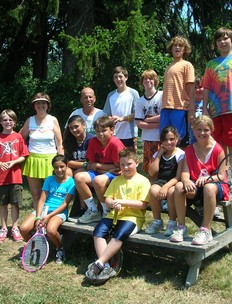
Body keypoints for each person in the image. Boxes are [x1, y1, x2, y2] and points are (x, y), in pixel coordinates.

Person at [85, 148, 151, 283]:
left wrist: (121, 202)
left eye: (129, 164)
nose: (125, 167)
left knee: (118, 235)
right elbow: (107, 199)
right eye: (122, 165)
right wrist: (113, 204)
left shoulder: (143, 181)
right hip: (113, 216)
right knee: (98, 232)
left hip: (132, 218)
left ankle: (99, 263)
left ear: (137, 163)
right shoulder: (116, 180)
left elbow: (142, 205)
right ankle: (107, 266)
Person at [170, 115, 230, 245]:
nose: (202, 133)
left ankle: (205, 230)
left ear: (211, 130)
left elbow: (221, 175)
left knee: (209, 188)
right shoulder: (190, 150)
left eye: (206, 130)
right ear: (193, 130)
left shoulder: (218, 149)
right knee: (179, 187)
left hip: (215, 187)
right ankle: (181, 227)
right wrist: (186, 180)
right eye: (199, 129)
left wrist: (208, 179)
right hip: (196, 186)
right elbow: (185, 172)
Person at [20, 155, 76, 264]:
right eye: (56, 167)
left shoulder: (71, 182)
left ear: (67, 166)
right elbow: (41, 200)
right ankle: (35, 247)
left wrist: (48, 217)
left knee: (51, 230)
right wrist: (38, 216)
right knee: (23, 229)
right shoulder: (49, 179)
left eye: (62, 167)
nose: (59, 170)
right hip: (44, 210)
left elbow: (65, 204)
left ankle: (60, 248)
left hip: (59, 212)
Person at [74, 116, 125, 224]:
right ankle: (93, 210)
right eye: (97, 131)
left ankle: (106, 211)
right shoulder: (93, 141)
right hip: (102, 172)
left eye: (104, 130)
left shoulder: (115, 143)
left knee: (98, 180)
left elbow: (118, 168)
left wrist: (98, 166)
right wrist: (102, 167)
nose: (100, 134)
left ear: (112, 130)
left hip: (115, 176)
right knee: (79, 177)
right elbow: (91, 164)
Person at [20, 92, 64, 209]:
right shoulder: (29, 121)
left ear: (48, 105)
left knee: (51, 192)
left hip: (50, 160)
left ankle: (50, 216)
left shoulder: (53, 120)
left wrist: (61, 161)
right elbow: (18, 138)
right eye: (38, 103)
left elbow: (59, 144)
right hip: (33, 160)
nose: (41, 105)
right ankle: (38, 220)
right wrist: (1, 139)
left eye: (43, 103)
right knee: (36, 194)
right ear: (34, 106)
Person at [0, 109, 29, 243]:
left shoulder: (18, 137)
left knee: (15, 203)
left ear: (14, 122)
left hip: (15, 176)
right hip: (1, 178)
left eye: (10, 119)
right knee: (2, 204)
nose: (7, 122)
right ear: (1, 122)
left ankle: (14, 228)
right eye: (4, 120)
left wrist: (13, 162)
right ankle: (3, 228)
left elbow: (23, 156)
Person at [145, 126, 185, 236]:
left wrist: (166, 187)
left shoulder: (180, 154)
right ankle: (157, 220)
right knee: (153, 190)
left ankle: (172, 222)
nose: (169, 142)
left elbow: (178, 176)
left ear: (177, 139)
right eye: (165, 140)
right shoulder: (159, 154)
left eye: (172, 139)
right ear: (161, 141)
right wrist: (158, 155)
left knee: (171, 192)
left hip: (174, 182)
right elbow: (152, 172)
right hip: (161, 181)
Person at [160, 36, 195, 147]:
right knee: (165, 140)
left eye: (180, 45)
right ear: (171, 48)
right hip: (166, 108)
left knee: (179, 140)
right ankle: (169, 164)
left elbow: (191, 88)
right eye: (175, 45)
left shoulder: (187, 65)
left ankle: (182, 164)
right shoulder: (169, 66)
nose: (177, 47)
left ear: (185, 49)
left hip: (179, 107)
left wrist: (192, 109)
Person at [202, 27, 232, 154]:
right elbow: (206, 87)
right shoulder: (211, 64)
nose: (222, 42)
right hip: (215, 111)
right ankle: (222, 171)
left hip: (231, 108)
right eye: (219, 40)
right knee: (218, 142)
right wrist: (204, 108)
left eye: (225, 38)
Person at [63, 115, 95, 219]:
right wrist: (83, 164)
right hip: (78, 167)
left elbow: (91, 162)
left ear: (84, 125)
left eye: (76, 126)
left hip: (88, 170)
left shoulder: (91, 140)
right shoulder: (69, 140)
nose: (74, 130)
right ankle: (62, 206)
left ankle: (83, 208)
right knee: (65, 173)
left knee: (78, 174)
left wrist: (82, 165)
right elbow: (67, 162)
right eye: (71, 128)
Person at [103, 66, 139, 149]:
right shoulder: (111, 95)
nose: (118, 79)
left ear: (126, 77)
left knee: (130, 159)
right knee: (116, 160)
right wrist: (110, 119)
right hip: (113, 134)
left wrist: (122, 118)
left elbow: (137, 114)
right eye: (116, 77)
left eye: (120, 76)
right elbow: (106, 114)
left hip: (129, 134)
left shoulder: (133, 93)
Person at [135, 69, 162, 172]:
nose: (148, 81)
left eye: (150, 78)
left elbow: (164, 116)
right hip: (148, 138)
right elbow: (138, 122)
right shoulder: (140, 101)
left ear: (155, 80)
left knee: (161, 166)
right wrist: (156, 124)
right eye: (145, 79)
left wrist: (148, 120)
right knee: (149, 168)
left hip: (161, 137)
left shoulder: (161, 95)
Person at [189, 76, 204, 144]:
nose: (198, 90)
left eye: (200, 87)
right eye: (195, 88)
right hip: (193, 139)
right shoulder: (188, 104)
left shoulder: (209, 103)